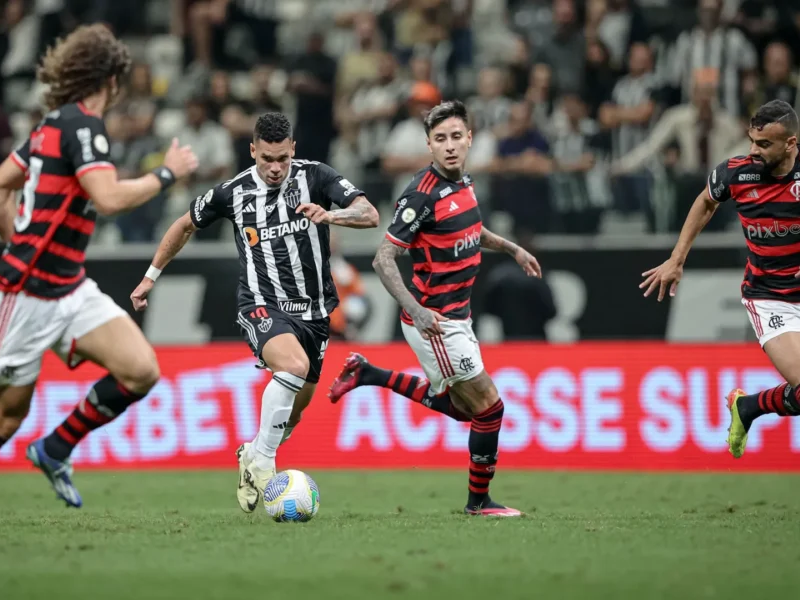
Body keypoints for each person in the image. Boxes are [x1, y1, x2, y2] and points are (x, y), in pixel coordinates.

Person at [0, 24, 200, 555]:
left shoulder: (52, 126)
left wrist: (16, 238)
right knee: (3, 419)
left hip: (68, 289)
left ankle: (55, 448)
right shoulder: (82, 127)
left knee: (141, 370)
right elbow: (110, 197)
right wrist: (167, 173)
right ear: (111, 78)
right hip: (22, 298)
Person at [639, 99, 800, 515]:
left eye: (764, 144)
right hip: (769, 297)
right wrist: (677, 257)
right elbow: (705, 202)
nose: (754, 151)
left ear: (790, 143)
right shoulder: (737, 171)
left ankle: (747, 405)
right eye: (752, 140)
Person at [130, 112, 380, 513]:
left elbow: (369, 214)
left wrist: (331, 214)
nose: (276, 167)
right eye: (267, 158)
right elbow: (182, 226)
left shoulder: (316, 177)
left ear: (293, 149)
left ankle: (253, 454)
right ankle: (264, 464)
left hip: (316, 312)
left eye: (282, 157)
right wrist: (150, 276)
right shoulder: (232, 192)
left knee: (292, 415)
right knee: (293, 366)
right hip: (262, 305)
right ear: (253, 151)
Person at [327, 101, 542, 517]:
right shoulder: (419, 197)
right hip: (435, 321)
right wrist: (417, 311)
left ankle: (368, 373)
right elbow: (382, 259)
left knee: (466, 411)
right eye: (440, 139)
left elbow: (471, 229)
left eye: (456, 137)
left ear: (470, 140)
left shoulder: (464, 184)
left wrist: (512, 248)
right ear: (428, 145)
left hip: (459, 316)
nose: (449, 146)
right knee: (490, 408)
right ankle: (478, 503)